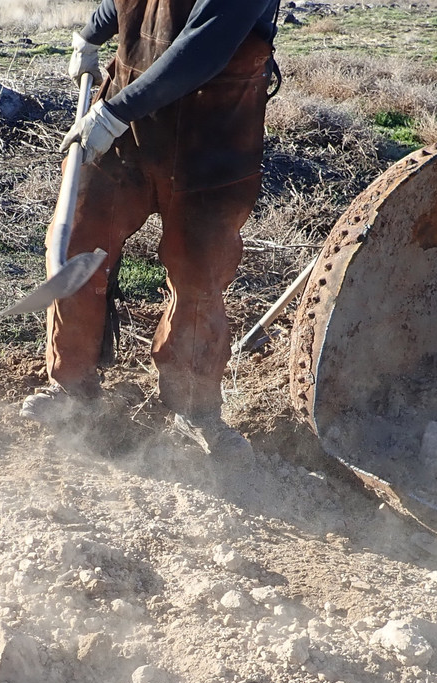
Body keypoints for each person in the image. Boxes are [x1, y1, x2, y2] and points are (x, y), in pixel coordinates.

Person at [21, 0, 281, 459]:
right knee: (79, 236)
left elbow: (206, 43)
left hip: (211, 139)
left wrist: (115, 113)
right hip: (129, 126)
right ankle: (73, 389)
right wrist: (91, 33)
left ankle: (194, 410)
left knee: (199, 274)